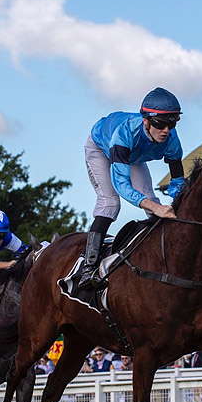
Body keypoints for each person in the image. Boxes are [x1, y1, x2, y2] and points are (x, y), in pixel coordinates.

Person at [78, 87, 185, 287]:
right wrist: (156, 209)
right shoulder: (124, 133)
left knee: (151, 199)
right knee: (110, 203)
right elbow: (121, 184)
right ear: (145, 120)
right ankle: (88, 267)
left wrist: (179, 206)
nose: (166, 131)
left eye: (172, 124)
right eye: (160, 124)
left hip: (133, 155)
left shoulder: (171, 139)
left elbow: (177, 181)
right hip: (101, 147)